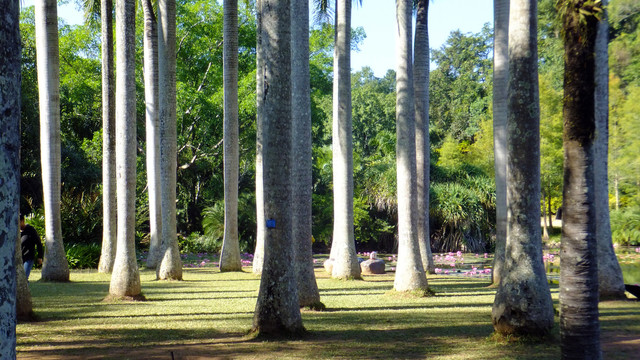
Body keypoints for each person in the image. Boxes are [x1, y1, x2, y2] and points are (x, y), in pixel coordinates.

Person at [20, 214, 43, 281]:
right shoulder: (16, 232)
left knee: (24, 277)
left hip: (28, 258)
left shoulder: (30, 230)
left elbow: (38, 243)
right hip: (19, 259)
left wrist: (40, 257)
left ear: (22, 221)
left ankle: (25, 291)